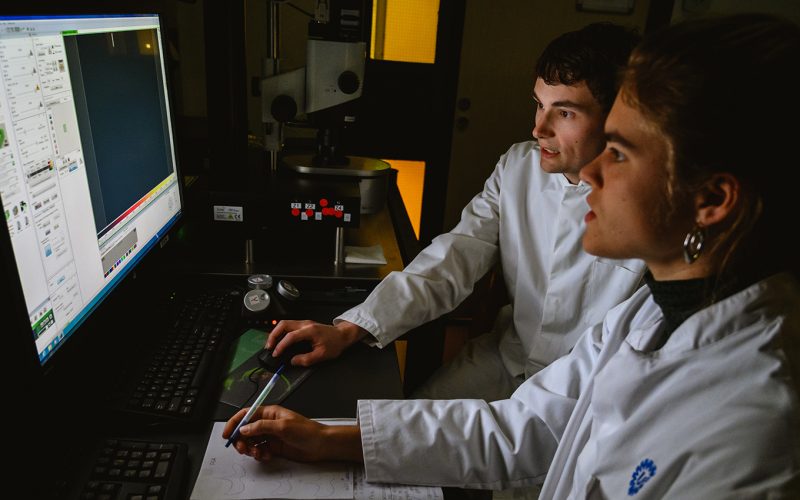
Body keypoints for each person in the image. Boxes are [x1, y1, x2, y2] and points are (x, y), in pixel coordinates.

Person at [224, 14, 800, 497]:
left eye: (619, 151)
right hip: (510, 362)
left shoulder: (752, 429)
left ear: (712, 200)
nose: (590, 173)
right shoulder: (647, 313)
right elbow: (459, 267)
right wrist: (331, 418)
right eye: (538, 105)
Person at [267, 23, 646, 400]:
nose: (538, 129)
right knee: (408, 417)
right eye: (539, 105)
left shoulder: (651, 210)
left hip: (588, 393)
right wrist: (351, 329)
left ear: (618, 119)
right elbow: (455, 256)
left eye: (564, 113)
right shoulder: (518, 166)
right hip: (508, 361)